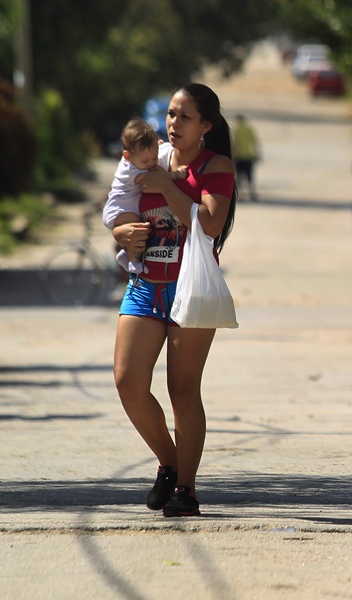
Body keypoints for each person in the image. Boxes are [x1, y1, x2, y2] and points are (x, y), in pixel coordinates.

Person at [110, 83, 237, 518]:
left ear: (206, 125)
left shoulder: (215, 165)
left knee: (182, 389)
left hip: (191, 288)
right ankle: (169, 462)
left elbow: (210, 223)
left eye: (184, 117)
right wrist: (119, 234)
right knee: (128, 381)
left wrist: (166, 186)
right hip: (145, 285)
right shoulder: (150, 155)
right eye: (170, 114)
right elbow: (120, 203)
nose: (173, 123)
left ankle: (187, 487)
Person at [103, 118, 187, 275]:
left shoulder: (137, 159)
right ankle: (133, 261)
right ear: (127, 156)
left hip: (127, 204)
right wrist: (174, 176)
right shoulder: (133, 171)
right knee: (137, 228)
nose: (152, 163)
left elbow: (151, 161)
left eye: (155, 157)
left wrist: (157, 149)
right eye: (145, 160)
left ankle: (124, 255)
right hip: (120, 208)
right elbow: (156, 178)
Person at [232, 114, 260, 201]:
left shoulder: (236, 129)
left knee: (239, 176)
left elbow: (235, 143)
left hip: (239, 156)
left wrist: (233, 155)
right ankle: (252, 193)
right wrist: (256, 153)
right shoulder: (249, 128)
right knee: (250, 176)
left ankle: (241, 194)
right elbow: (254, 141)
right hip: (248, 155)